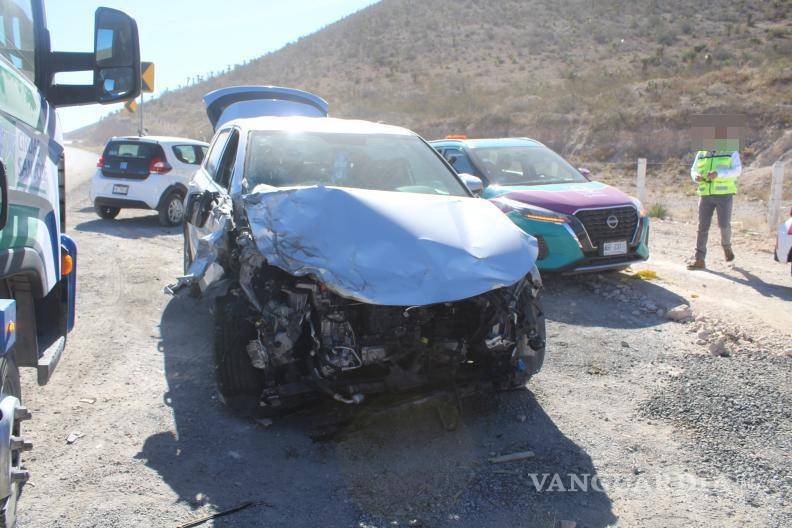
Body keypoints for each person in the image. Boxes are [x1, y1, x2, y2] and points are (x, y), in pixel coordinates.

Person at [687, 143, 742, 269]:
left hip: (724, 195)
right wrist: (696, 177)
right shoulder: (701, 152)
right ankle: (699, 259)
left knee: (724, 225)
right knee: (702, 226)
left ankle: (727, 247)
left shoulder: (731, 151)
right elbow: (693, 169)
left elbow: (737, 170)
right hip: (705, 194)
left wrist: (719, 173)